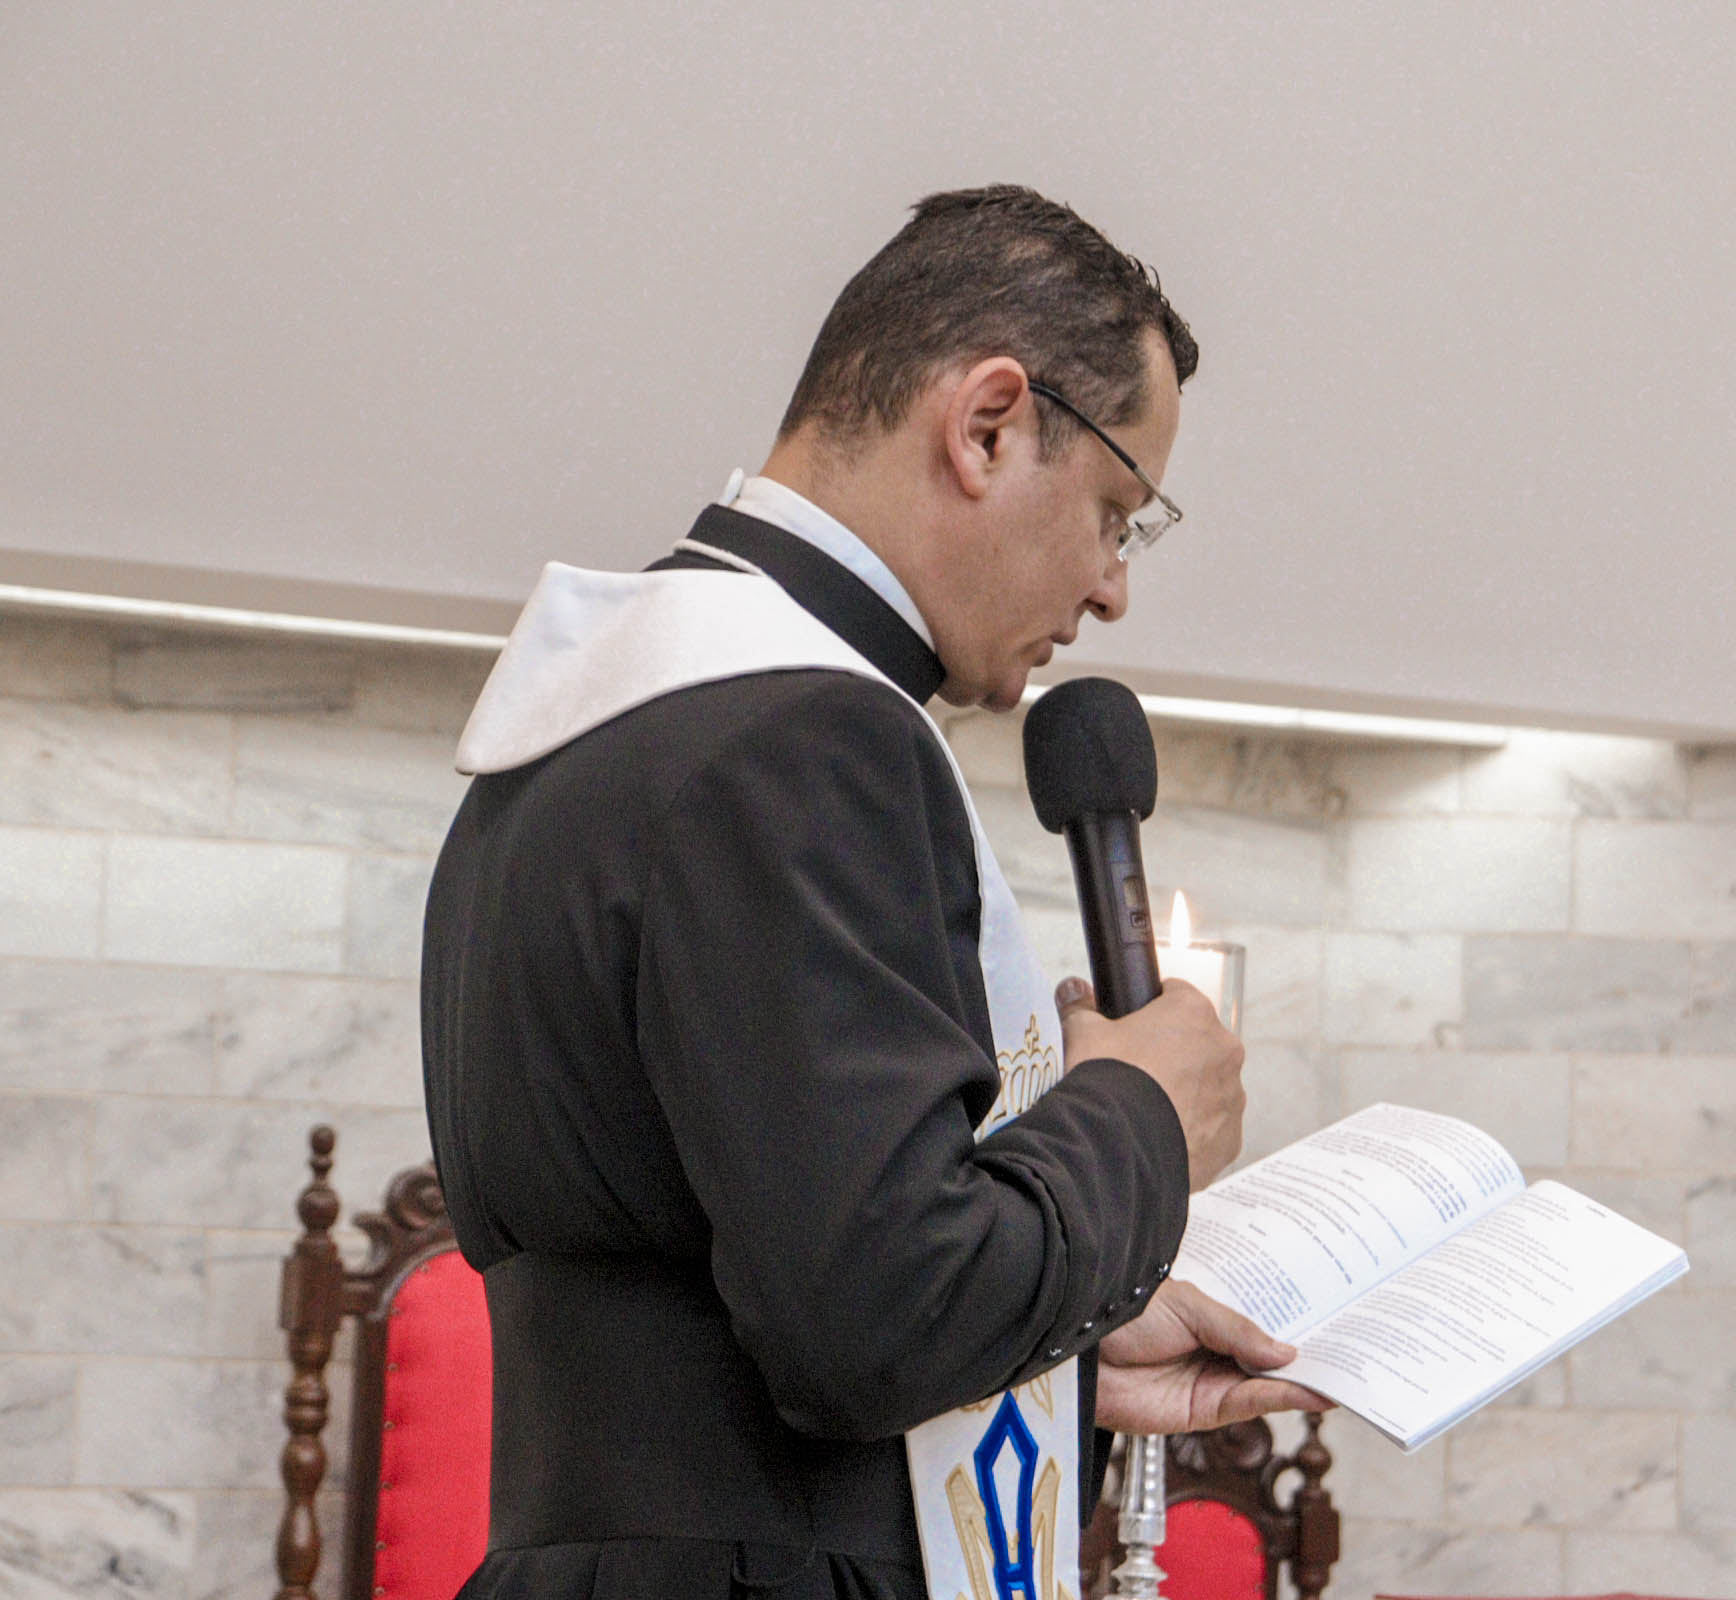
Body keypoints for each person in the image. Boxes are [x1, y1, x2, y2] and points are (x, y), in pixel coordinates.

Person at [421, 185, 1320, 1600]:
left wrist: (1065, 1363)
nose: (1111, 590)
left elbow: (730, 1284)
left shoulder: (613, 709)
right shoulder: (802, 732)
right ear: (988, 425)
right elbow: (874, 1319)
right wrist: (1139, 1110)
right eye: (1116, 515)